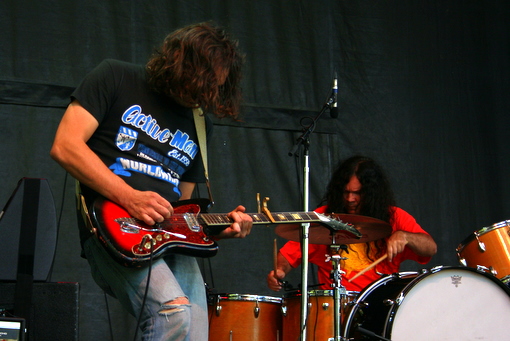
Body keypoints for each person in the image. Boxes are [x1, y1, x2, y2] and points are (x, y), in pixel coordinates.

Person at [50, 22, 253, 341]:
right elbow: (65, 145)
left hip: (164, 237)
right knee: (171, 314)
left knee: (196, 332)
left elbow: (178, 214)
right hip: (112, 229)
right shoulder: (115, 76)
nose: (205, 96)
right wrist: (131, 198)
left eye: (214, 88)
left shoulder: (201, 126)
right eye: (203, 85)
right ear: (179, 63)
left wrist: (220, 229)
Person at [267, 155, 437, 292]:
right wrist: (280, 270)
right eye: (346, 192)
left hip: (378, 308)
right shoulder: (323, 218)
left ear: (372, 194)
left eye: (357, 193)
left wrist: (405, 236)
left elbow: (430, 248)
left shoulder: (394, 217)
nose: (350, 199)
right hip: (333, 310)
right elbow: (288, 256)